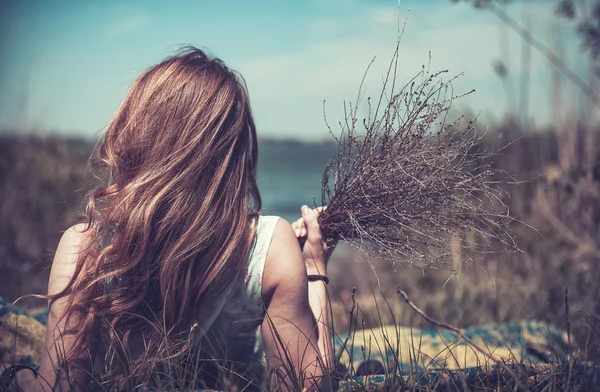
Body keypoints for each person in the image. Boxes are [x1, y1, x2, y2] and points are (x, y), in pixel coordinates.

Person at [10, 47, 336, 392]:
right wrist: (314, 268)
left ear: (135, 135)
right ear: (235, 151)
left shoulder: (87, 249)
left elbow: (59, 387)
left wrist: (15, 373)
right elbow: (308, 386)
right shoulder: (270, 248)